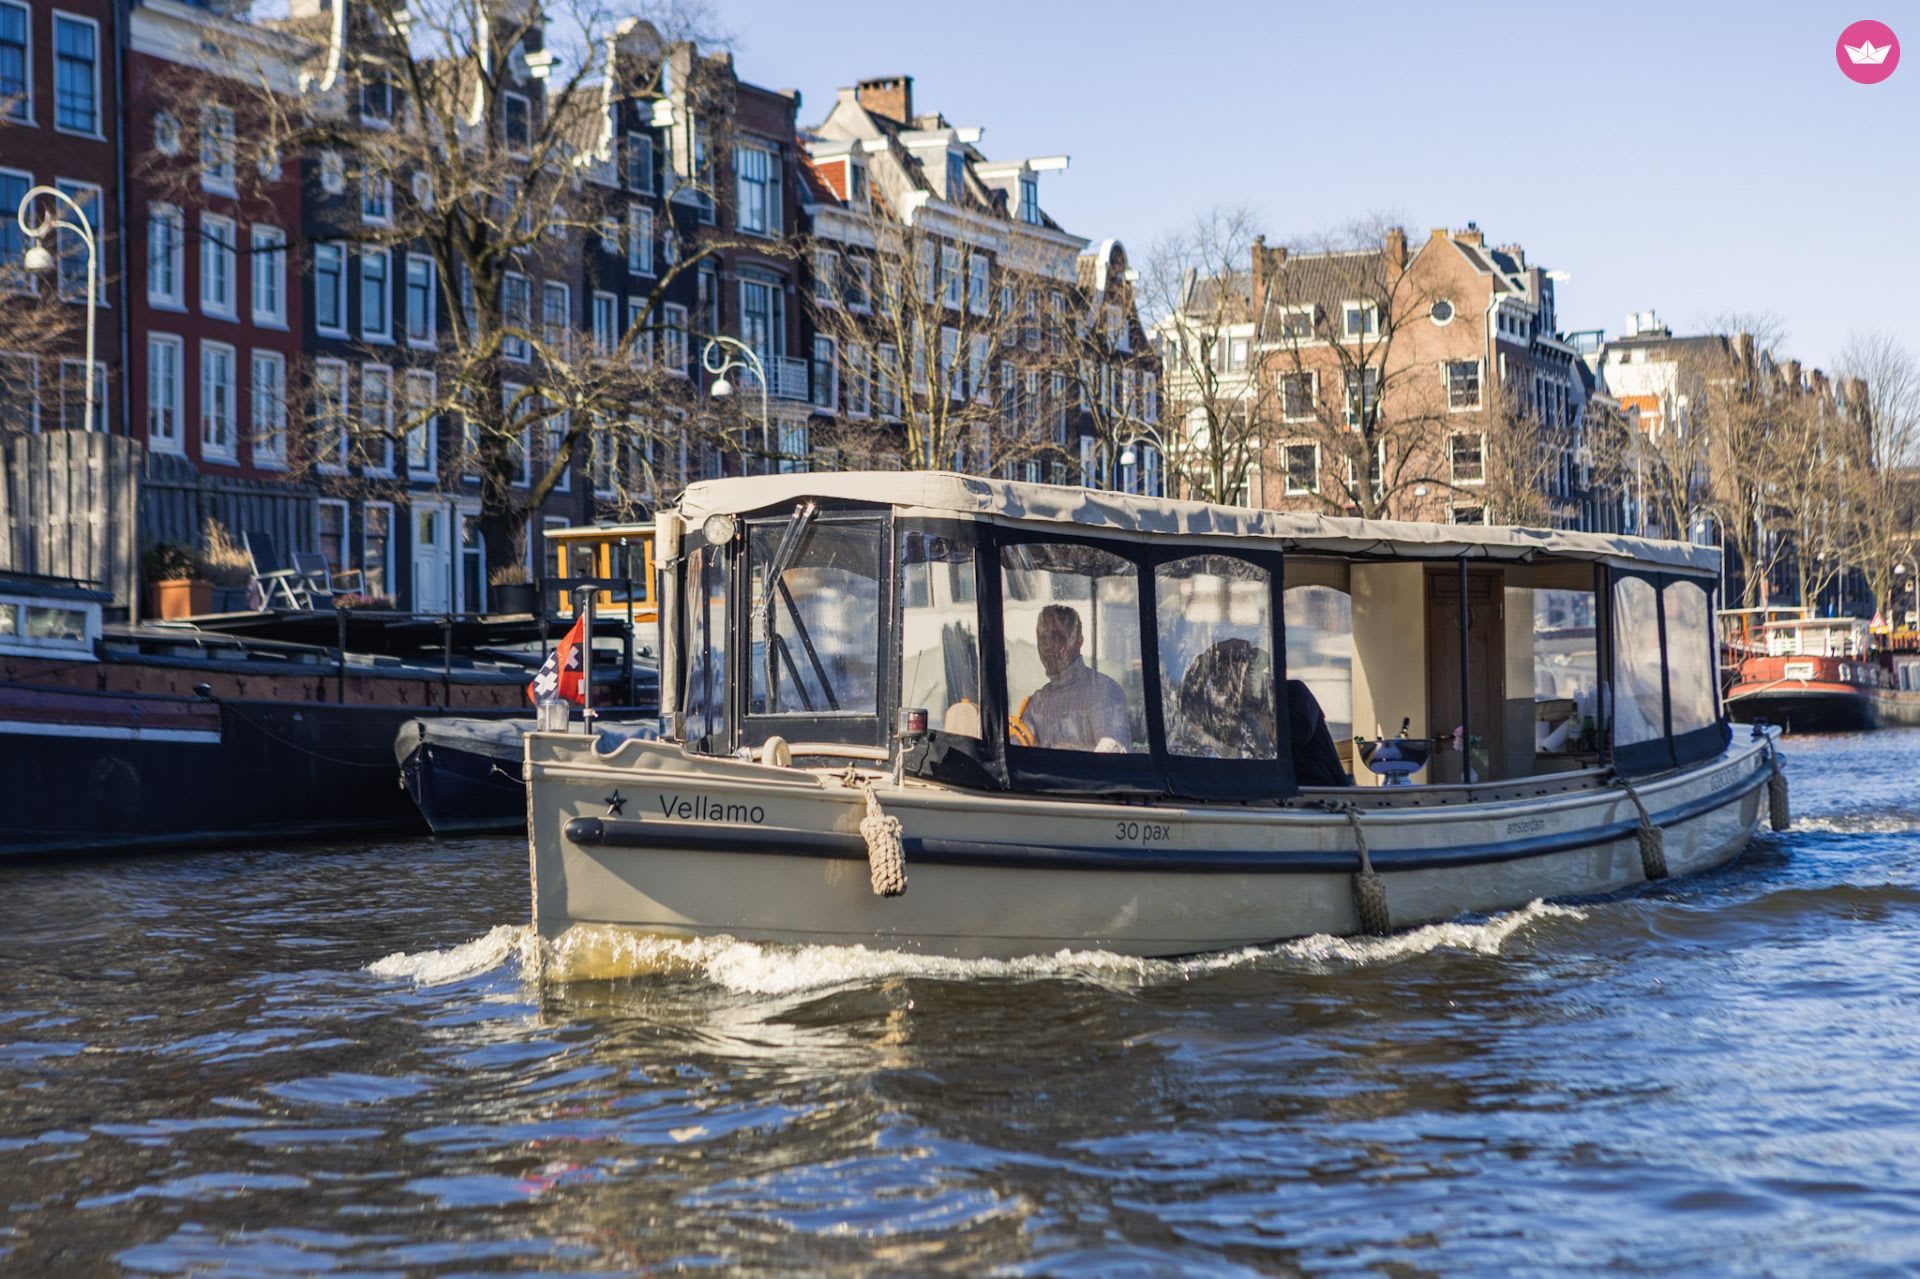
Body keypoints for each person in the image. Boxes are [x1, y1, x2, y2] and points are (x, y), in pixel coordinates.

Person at [1017, 604, 1132, 752]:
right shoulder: (1037, 703)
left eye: (1057, 637)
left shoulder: (1103, 691)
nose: (1048, 646)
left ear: (1079, 641)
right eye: (1043, 638)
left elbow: (1112, 752)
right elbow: (1018, 746)